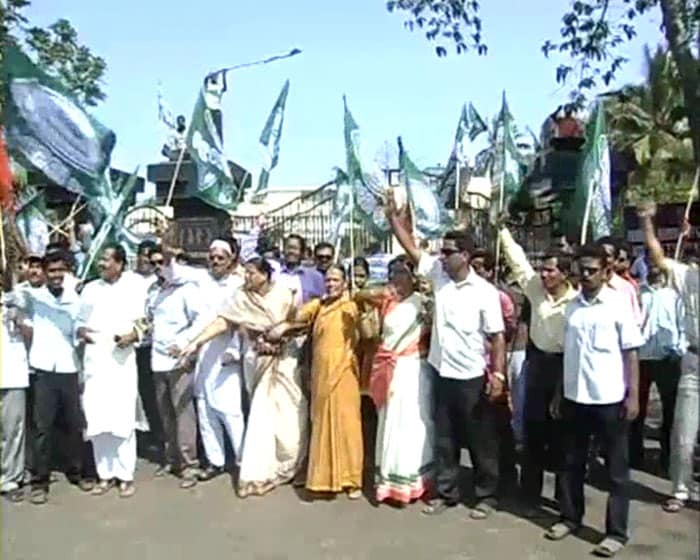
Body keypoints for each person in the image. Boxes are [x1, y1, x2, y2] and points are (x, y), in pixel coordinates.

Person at [386, 193, 505, 520]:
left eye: (449, 252)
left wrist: (499, 376)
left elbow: (496, 338)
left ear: (465, 256)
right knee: (444, 437)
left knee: (480, 440)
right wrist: (394, 219)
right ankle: (447, 492)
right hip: (441, 372)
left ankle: (486, 495)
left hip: (471, 376)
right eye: (442, 251)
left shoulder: (485, 292)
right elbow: (411, 248)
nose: (442, 256)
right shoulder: (438, 276)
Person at [546, 243, 643, 558]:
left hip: (609, 399)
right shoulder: (572, 308)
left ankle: (616, 532)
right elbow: (568, 356)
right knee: (571, 464)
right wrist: (560, 393)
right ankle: (569, 518)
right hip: (575, 398)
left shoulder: (617, 306)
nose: (585, 276)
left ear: (606, 271)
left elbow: (631, 353)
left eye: (591, 271)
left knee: (615, 471)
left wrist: (633, 396)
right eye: (582, 270)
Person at [181, 258, 307, 497]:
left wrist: (281, 334)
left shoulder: (284, 293)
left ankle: (291, 465)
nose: (247, 277)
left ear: (265, 275)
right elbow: (222, 322)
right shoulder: (240, 297)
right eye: (246, 273)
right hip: (256, 359)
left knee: (291, 415)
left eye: (251, 273)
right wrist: (195, 343)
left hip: (285, 360)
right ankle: (258, 472)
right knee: (261, 415)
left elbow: (300, 322)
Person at [498, 225, 578, 514]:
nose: (544, 275)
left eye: (551, 271)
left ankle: (563, 500)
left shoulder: (576, 302)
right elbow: (517, 261)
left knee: (563, 438)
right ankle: (529, 496)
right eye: (542, 270)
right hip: (537, 364)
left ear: (565, 274)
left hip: (565, 368)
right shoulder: (534, 289)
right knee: (533, 433)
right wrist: (502, 231)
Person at [267, 265, 364, 499]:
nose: (330, 284)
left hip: (344, 372)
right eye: (328, 280)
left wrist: (361, 302)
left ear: (344, 283)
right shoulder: (318, 306)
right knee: (321, 424)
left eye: (336, 280)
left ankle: (352, 479)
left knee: (348, 425)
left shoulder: (351, 305)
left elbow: (368, 331)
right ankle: (323, 477)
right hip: (321, 373)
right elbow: (296, 318)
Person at [356, 256, 434, 505]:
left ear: (414, 276)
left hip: (412, 368)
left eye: (402, 273)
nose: (397, 278)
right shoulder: (387, 301)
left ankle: (415, 482)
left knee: (413, 423)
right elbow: (358, 294)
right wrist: (385, 291)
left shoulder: (423, 304)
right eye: (394, 273)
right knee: (389, 422)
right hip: (388, 368)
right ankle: (388, 483)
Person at [637, 203, 699, 513]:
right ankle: (681, 490)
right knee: (683, 434)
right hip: (693, 365)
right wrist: (647, 221)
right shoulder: (687, 277)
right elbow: (657, 256)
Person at [22, 250, 92, 504]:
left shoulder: (76, 298)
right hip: (43, 369)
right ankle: (40, 481)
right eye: (52, 271)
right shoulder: (33, 297)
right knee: (43, 427)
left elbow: (79, 325)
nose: (56, 276)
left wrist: (83, 332)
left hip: (68, 367)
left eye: (60, 270)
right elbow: (14, 302)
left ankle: (79, 472)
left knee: (74, 424)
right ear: (44, 273)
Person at [76, 244, 146, 498]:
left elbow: (144, 320)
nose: (102, 264)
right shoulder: (91, 289)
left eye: (107, 260)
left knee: (122, 417)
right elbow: (79, 323)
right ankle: (104, 475)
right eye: (101, 260)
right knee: (98, 418)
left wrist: (133, 335)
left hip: (122, 360)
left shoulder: (134, 285)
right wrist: (82, 332)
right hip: (96, 360)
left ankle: (125, 476)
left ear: (120, 263)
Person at [146, 246, 202, 488]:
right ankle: (172, 458)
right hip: (157, 360)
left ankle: (190, 464)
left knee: (183, 412)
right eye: (155, 263)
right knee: (165, 412)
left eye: (163, 262)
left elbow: (200, 319)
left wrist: (183, 343)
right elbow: (148, 319)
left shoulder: (187, 289)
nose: (159, 267)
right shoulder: (152, 291)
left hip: (179, 360)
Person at [192, 239, 246, 482]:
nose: (215, 261)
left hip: (227, 354)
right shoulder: (200, 281)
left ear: (231, 260)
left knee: (231, 411)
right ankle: (215, 461)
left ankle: (243, 460)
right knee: (205, 409)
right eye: (212, 257)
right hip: (203, 353)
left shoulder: (238, 284)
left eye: (221, 258)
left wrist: (235, 350)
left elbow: (242, 320)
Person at [629, 265, 685, 473]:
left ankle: (668, 457)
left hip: (668, 359)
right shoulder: (638, 293)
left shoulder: (674, 295)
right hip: (642, 358)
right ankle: (634, 455)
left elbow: (682, 324)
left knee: (670, 410)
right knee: (637, 409)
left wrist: (679, 349)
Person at [1, 278, 31, 502]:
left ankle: (10, 478)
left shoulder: (20, 296)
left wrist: (17, 316)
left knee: (13, 429)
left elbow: (32, 334)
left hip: (12, 372)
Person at [352, 256, 380, 489]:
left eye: (361, 275)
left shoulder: (372, 299)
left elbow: (371, 334)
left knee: (368, 411)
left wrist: (363, 307)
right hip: (349, 359)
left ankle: (369, 459)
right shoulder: (343, 298)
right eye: (354, 275)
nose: (357, 280)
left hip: (368, 360)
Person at [596, 236, 642, 325]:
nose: (604, 260)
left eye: (608, 256)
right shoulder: (585, 286)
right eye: (600, 255)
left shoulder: (626, 288)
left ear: (615, 260)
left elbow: (636, 322)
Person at [277, 234, 324, 307]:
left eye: (295, 248)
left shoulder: (315, 277)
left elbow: (322, 302)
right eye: (288, 248)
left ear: (302, 252)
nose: (291, 251)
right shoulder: (274, 273)